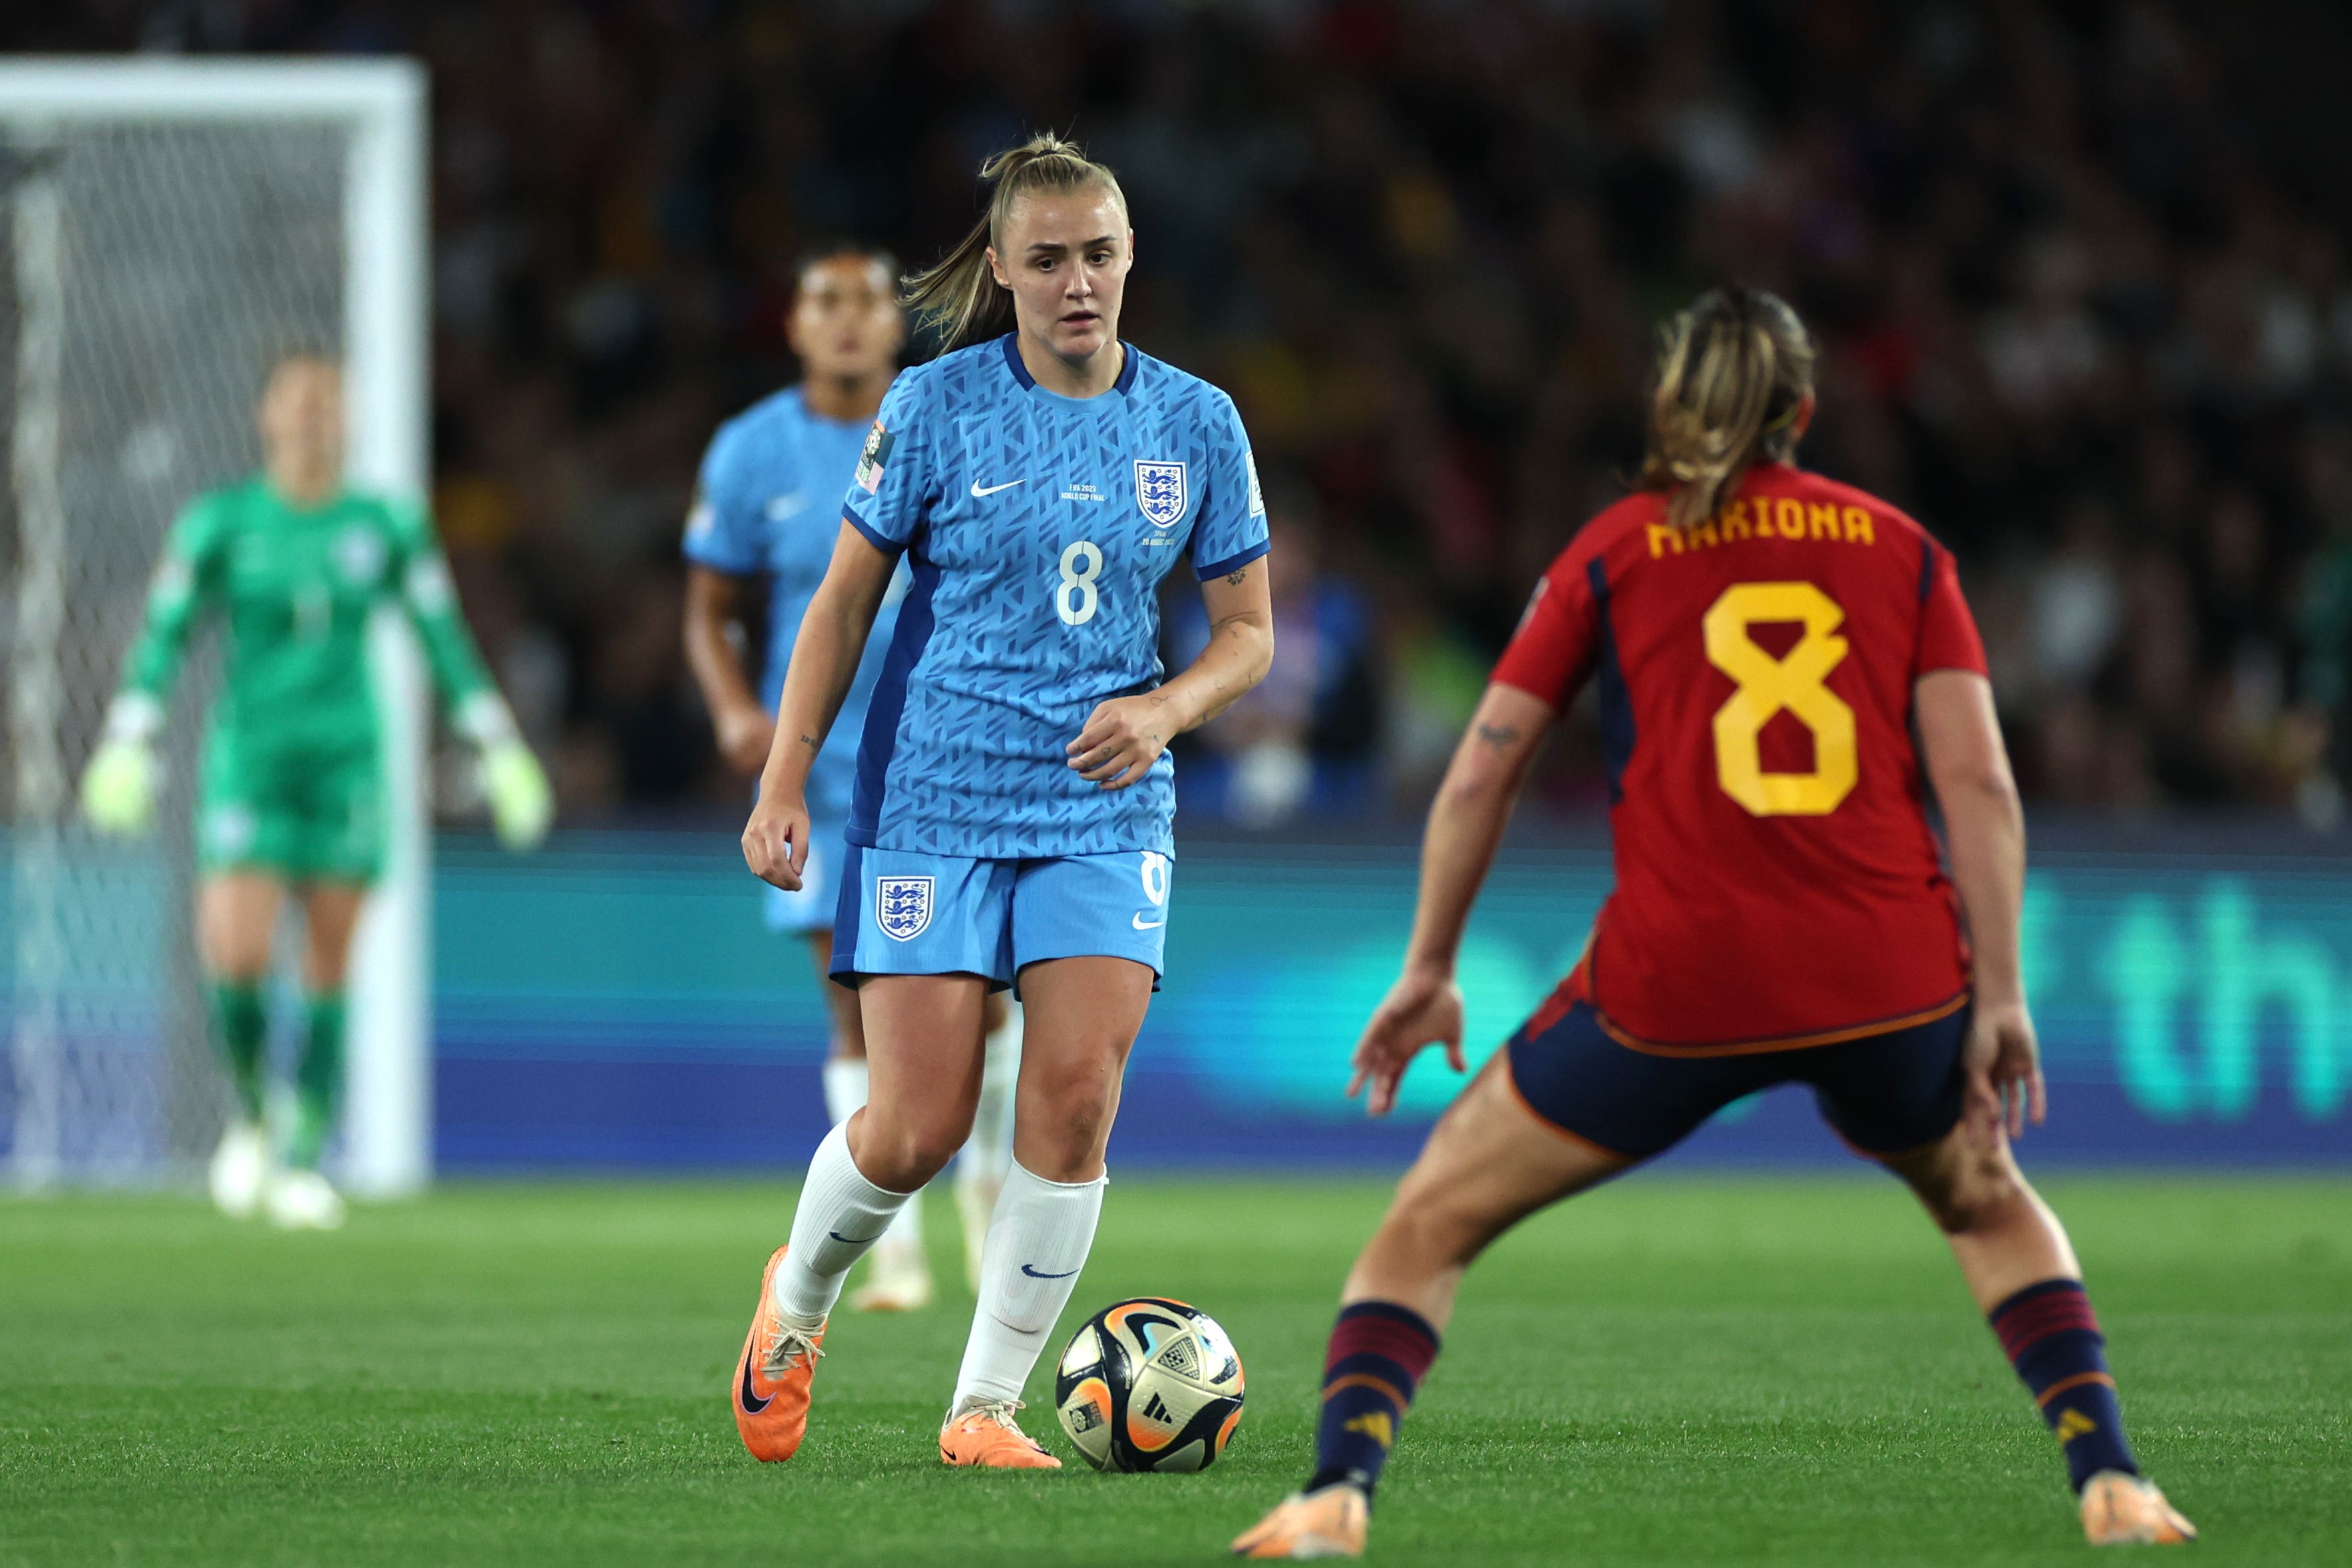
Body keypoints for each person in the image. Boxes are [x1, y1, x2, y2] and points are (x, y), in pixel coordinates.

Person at [1233, 288, 2195, 1557]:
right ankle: (2112, 1482)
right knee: (1984, 1201)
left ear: (1667, 411)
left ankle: (1335, 1495)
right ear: (1800, 411)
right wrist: (2003, 997)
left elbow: (1479, 769)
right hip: (1887, 978)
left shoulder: (1615, 550)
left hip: (1676, 985)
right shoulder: (1902, 549)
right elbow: (1979, 786)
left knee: (1428, 1223)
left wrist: (1428, 967)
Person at [731, 132, 1274, 1470]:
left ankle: (984, 1408)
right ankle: (796, 1299)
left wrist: (1163, 709)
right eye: (1049, 259)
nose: (1079, 280)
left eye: (1099, 252)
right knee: (914, 1128)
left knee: (1076, 1091)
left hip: (1105, 809)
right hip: (936, 800)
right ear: (1002, 269)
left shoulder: (1197, 421)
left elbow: (1248, 630)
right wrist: (787, 775)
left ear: (1131, 253)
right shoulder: (932, 408)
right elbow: (843, 603)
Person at [79, 355, 552, 1230]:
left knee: (329, 961)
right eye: (296, 402)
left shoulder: (385, 525)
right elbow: (165, 633)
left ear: (348, 420)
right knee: (238, 953)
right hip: (250, 762)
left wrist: (497, 746)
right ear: (265, 415)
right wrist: (129, 737)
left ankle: (303, 1156)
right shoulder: (219, 523)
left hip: (347, 764)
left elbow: (439, 636)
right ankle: (253, 1109)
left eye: (326, 403)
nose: (310, 417)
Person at [682, 242, 1022, 1311]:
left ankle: (988, 1204)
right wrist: (741, 712)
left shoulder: (946, 427)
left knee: (992, 1007)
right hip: (827, 778)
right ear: (792, 324)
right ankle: (898, 1252)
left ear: (895, 323)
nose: (844, 321)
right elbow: (707, 613)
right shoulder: (751, 452)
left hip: (952, 761)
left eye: (866, 301)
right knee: (855, 1004)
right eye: (822, 300)